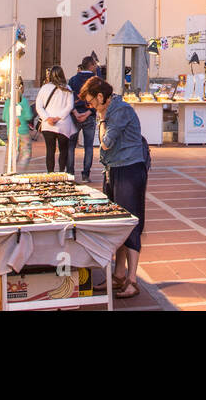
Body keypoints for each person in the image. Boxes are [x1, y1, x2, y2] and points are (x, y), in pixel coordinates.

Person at [81, 77, 148, 299]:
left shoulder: (118, 111)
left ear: (101, 97)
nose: (90, 107)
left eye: (91, 102)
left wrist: (100, 118)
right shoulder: (110, 109)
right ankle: (119, 274)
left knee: (130, 221)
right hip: (114, 168)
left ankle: (132, 280)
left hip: (129, 169)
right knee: (118, 222)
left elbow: (106, 142)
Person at [35, 66, 76, 173]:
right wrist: (59, 117)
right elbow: (70, 106)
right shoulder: (68, 89)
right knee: (63, 150)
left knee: (50, 150)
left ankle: (50, 173)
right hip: (63, 124)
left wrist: (47, 118)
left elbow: (38, 106)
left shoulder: (44, 88)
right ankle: (62, 172)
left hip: (47, 124)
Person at [67, 57, 99, 182]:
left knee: (71, 146)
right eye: (95, 64)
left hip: (75, 115)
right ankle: (86, 174)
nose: (96, 67)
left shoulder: (73, 80)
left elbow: (69, 97)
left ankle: (70, 173)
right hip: (89, 115)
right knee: (89, 146)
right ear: (91, 65)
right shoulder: (96, 81)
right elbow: (99, 99)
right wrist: (89, 112)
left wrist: (74, 112)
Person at [5, 77, 35, 164]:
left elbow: (4, 116)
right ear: (22, 87)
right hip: (22, 129)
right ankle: (19, 167)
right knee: (25, 151)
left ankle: (12, 164)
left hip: (10, 128)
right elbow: (28, 116)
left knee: (13, 149)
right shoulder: (24, 101)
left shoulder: (8, 101)